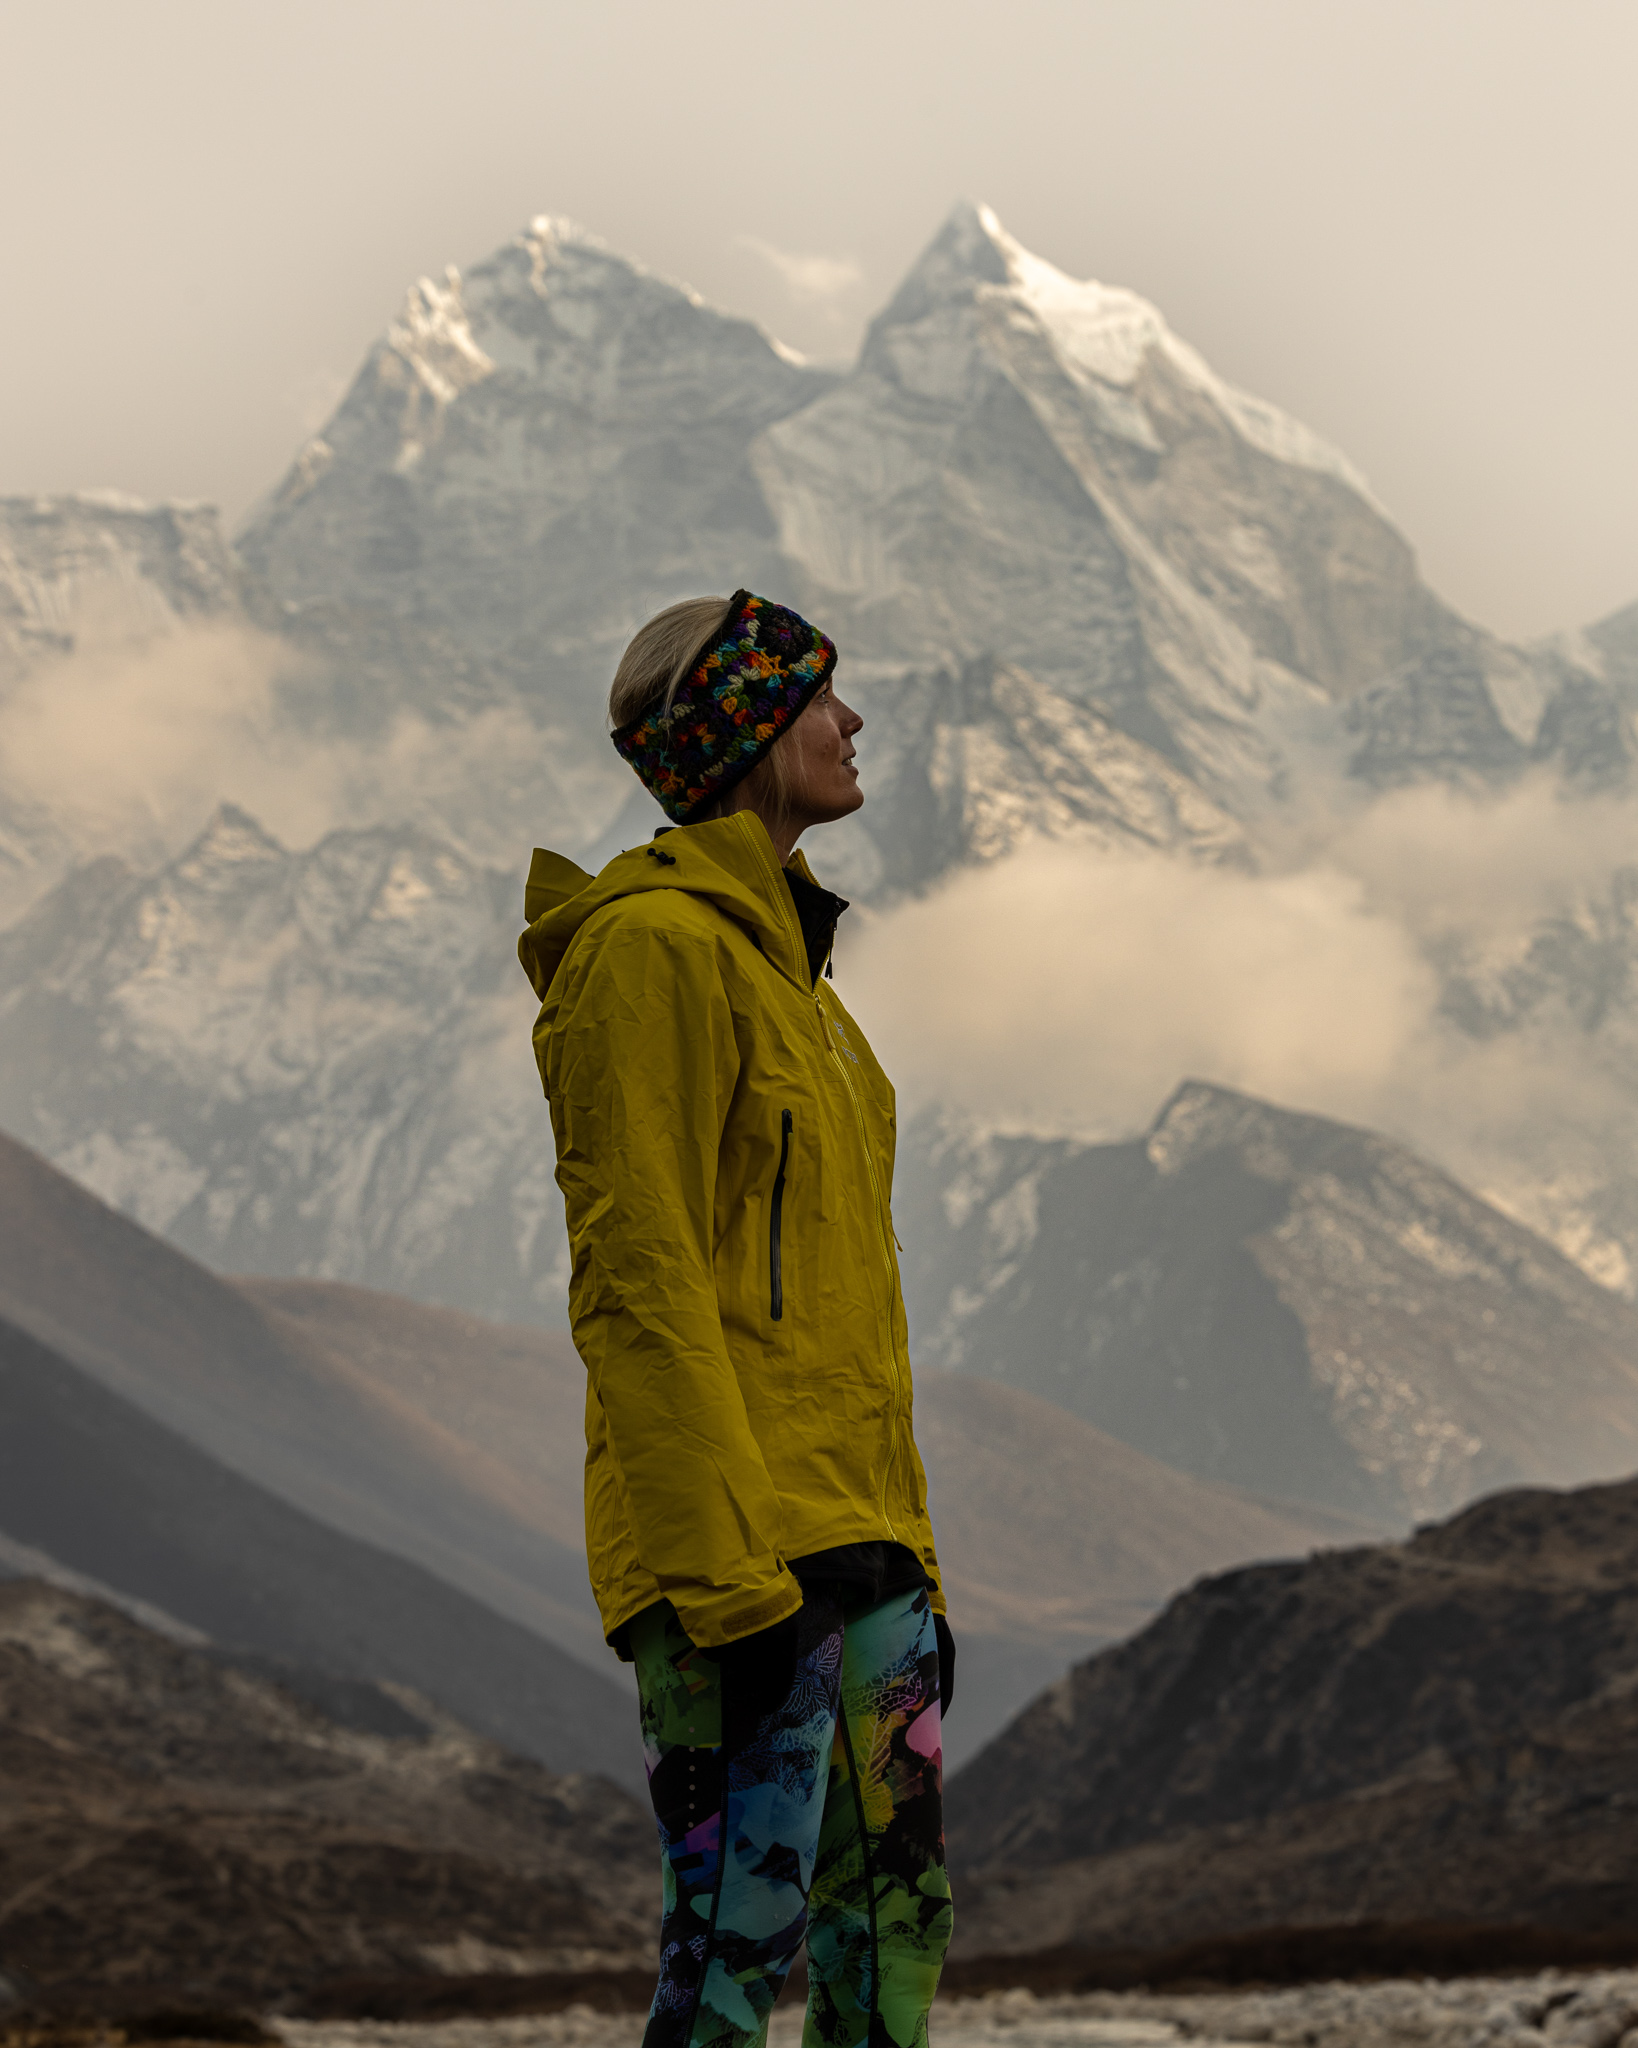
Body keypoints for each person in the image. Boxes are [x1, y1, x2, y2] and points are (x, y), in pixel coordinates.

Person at [519, 590, 954, 2048]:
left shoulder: (805, 989)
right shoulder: (646, 953)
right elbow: (637, 1284)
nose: (851, 721)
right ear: (750, 731)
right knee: (732, 1945)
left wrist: (922, 1571)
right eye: (820, 697)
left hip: (866, 1543)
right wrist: (724, 1586)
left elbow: (845, 1315)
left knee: (895, 1932)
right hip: (745, 1564)